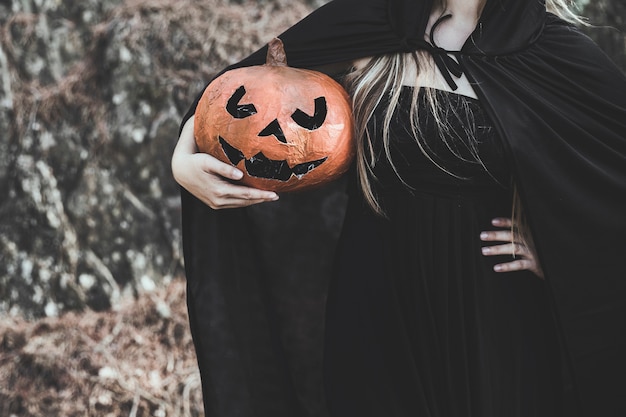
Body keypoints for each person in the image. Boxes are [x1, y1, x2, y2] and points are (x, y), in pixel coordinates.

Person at [172, 0, 626, 416]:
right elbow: (243, 91)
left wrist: (560, 249)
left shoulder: (552, 50)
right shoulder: (373, 20)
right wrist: (181, 158)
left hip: (492, 315)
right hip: (373, 302)